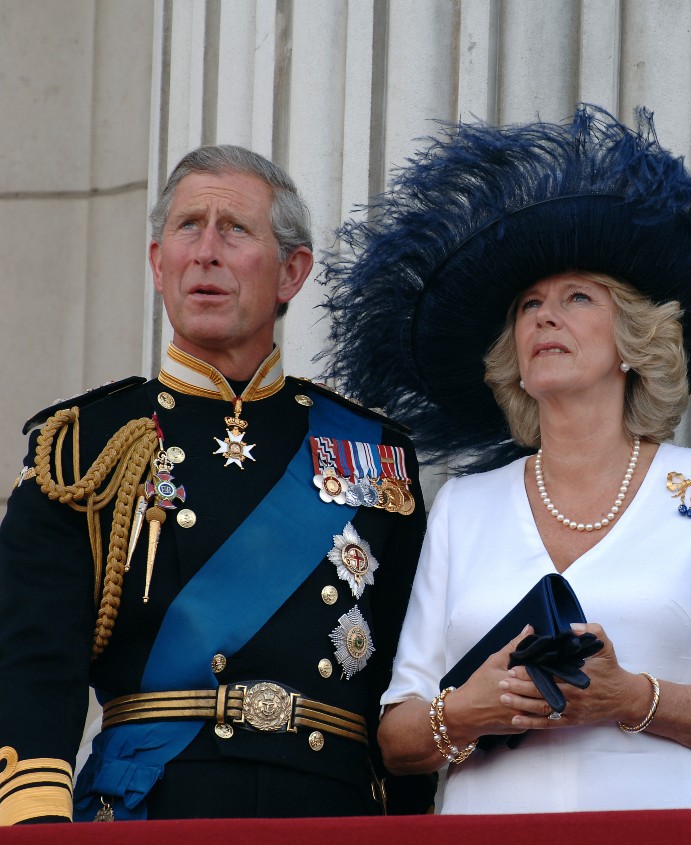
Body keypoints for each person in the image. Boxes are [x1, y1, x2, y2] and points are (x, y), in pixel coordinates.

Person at [320, 105, 691, 813]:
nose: (545, 316)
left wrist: (630, 697)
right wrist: (467, 710)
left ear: (633, 340)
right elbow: (398, 731)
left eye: (578, 297)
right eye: (529, 305)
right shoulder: (464, 504)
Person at [0, 145, 426, 824]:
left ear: (292, 271)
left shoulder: (376, 454)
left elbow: (409, 674)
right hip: (154, 807)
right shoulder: (83, 444)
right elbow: (31, 661)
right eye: (187, 227)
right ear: (157, 262)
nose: (205, 250)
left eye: (235, 229)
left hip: (330, 812)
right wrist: (36, 826)